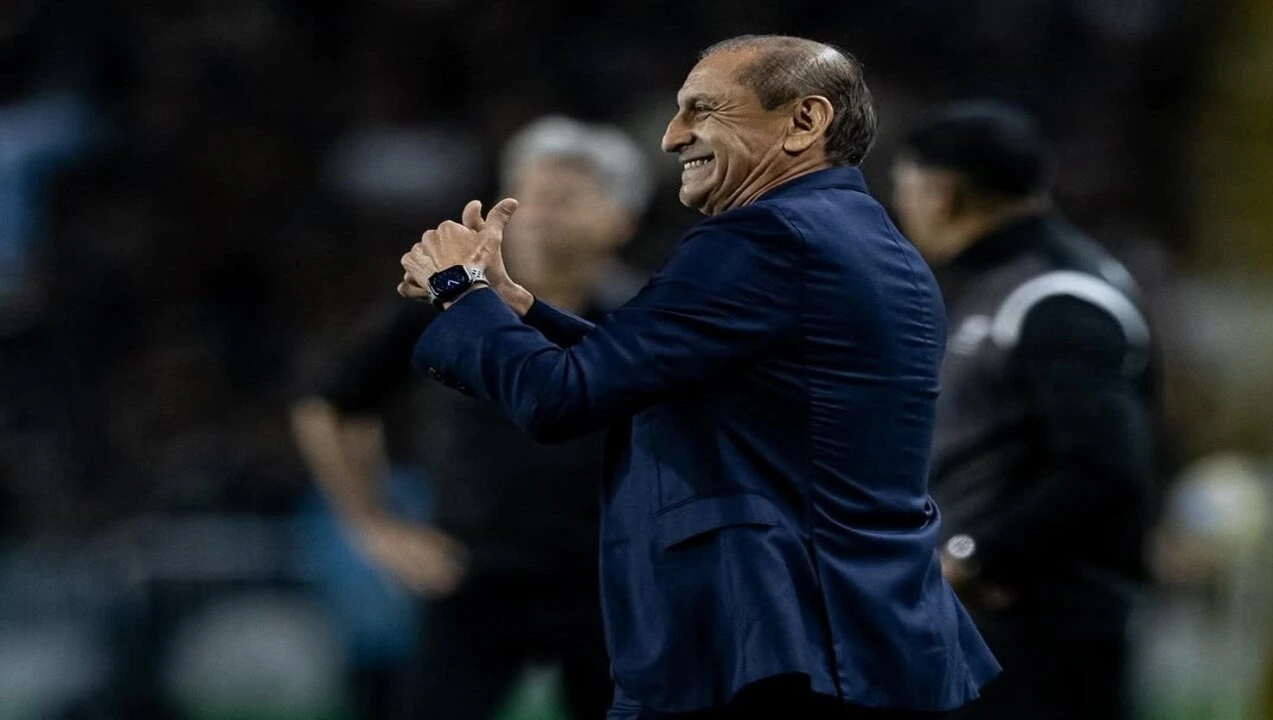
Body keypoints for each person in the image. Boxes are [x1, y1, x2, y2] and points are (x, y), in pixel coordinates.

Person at [398, 35, 999, 720]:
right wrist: (523, 310)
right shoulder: (873, 243)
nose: (671, 136)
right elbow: (673, 376)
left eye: (703, 110)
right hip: (869, 635)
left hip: (778, 645)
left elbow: (561, 398)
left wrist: (457, 287)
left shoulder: (762, 239)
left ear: (805, 122)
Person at [292, 115, 653, 720]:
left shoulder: (642, 314)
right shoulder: (450, 301)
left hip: (609, 583)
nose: (539, 213)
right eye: (527, 194)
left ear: (620, 219)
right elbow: (331, 402)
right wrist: (372, 525)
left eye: (565, 198)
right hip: (473, 577)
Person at [890, 102, 1158, 720]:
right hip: (994, 628)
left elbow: (1103, 465)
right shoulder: (1004, 283)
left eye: (903, 189)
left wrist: (972, 552)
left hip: (1035, 634)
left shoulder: (1056, 296)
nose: (900, 209)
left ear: (941, 194)